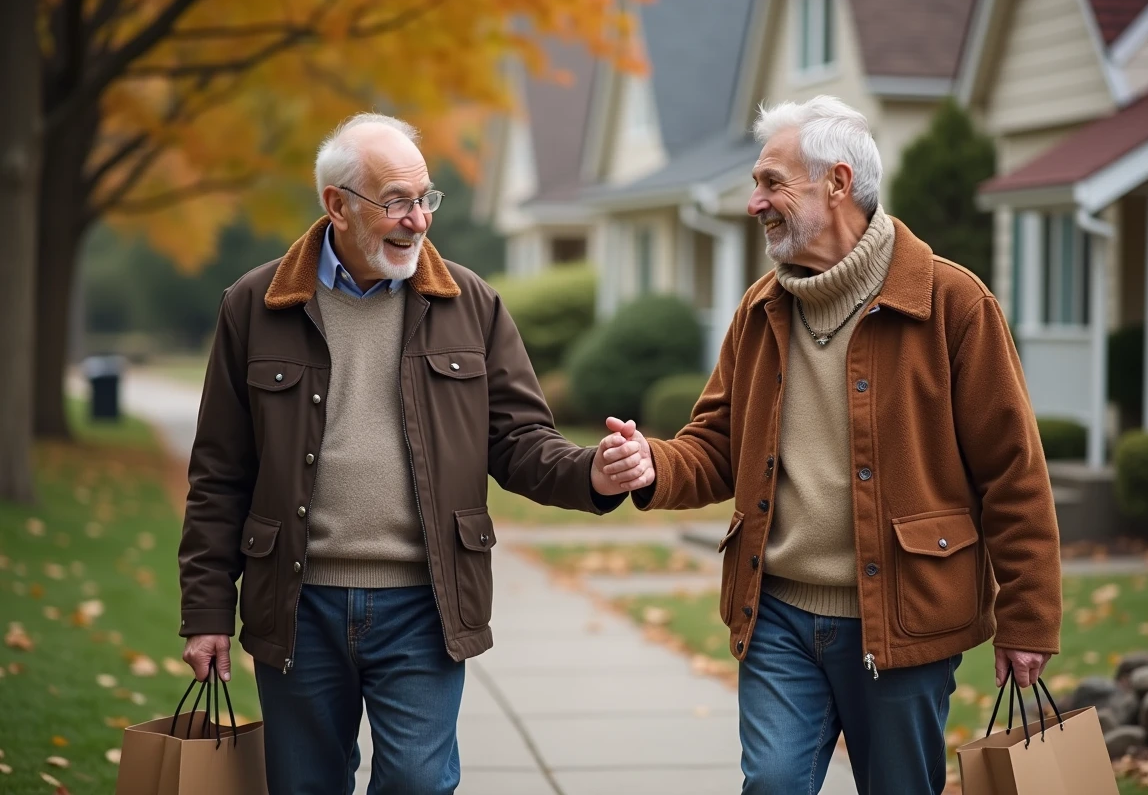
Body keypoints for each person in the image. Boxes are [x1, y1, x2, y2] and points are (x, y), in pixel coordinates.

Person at [597, 96, 1062, 794]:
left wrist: (1027, 617)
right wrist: (652, 463)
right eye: (756, 184)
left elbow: (1012, 472)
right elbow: (718, 443)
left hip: (904, 618)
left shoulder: (952, 304)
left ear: (837, 184)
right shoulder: (761, 309)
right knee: (774, 784)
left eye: (771, 183)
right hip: (776, 610)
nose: (755, 202)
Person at [177, 112, 651, 794]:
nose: (418, 219)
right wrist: (206, 611)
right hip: (296, 604)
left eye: (425, 198)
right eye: (396, 201)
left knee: (418, 783)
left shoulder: (471, 304)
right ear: (336, 205)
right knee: (305, 784)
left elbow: (519, 442)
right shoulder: (254, 305)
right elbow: (219, 473)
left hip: (424, 602)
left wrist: (593, 472)